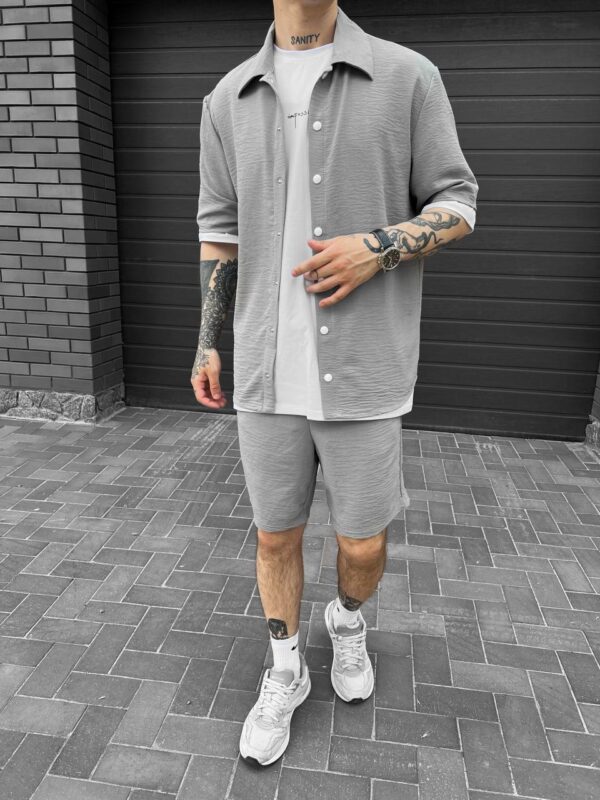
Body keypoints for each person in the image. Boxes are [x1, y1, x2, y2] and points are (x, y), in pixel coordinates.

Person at [191, 0, 478, 768]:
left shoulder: (407, 77)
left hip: (363, 368)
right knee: (274, 534)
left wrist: (378, 247)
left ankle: (347, 619)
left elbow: (458, 203)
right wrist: (207, 343)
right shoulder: (225, 99)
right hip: (264, 369)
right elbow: (219, 232)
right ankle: (285, 668)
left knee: (363, 542)